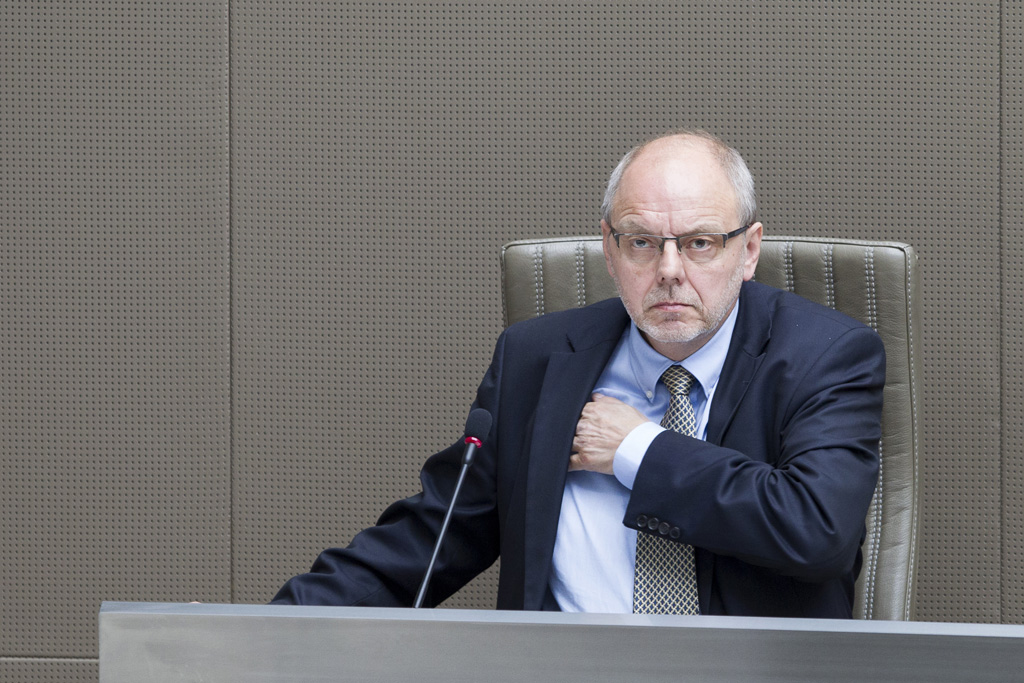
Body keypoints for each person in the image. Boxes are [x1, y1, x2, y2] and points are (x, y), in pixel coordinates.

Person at [272, 130, 884, 618]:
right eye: (642, 242)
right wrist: (258, 633)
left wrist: (637, 450)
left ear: (748, 251)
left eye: (699, 243)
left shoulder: (825, 356)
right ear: (610, 250)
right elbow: (431, 538)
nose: (669, 269)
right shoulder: (537, 360)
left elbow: (816, 529)